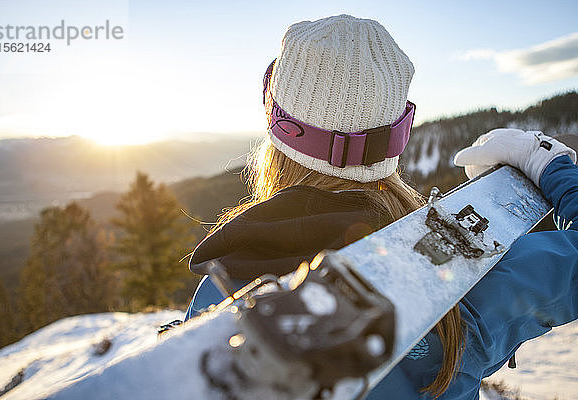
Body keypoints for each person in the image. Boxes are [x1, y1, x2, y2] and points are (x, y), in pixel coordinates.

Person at [185, 14, 578, 399]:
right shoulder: (470, 284)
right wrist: (549, 165)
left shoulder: (218, 295)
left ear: (279, 130)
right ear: (399, 133)